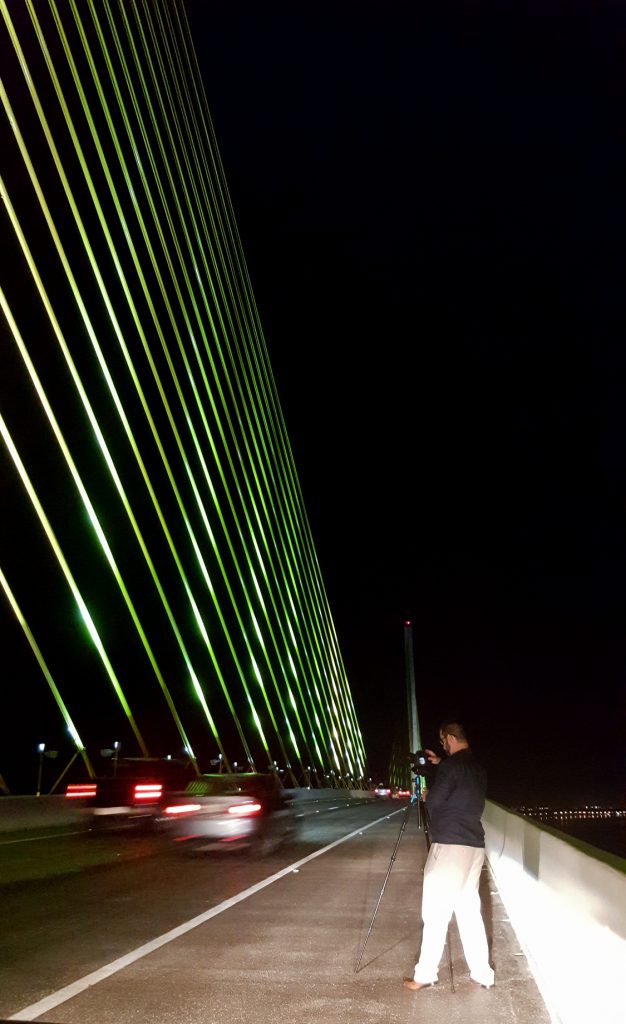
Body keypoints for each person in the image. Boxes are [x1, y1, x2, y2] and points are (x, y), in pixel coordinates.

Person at [403, 721, 495, 992]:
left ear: (451, 738)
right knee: (469, 912)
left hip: (449, 846)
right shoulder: (477, 768)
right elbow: (459, 779)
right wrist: (438, 764)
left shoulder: (450, 767)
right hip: (474, 846)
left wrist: (429, 787)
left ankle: (425, 973)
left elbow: (434, 802)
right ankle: (483, 974)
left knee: (435, 912)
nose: (442, 745)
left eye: (443, 741)